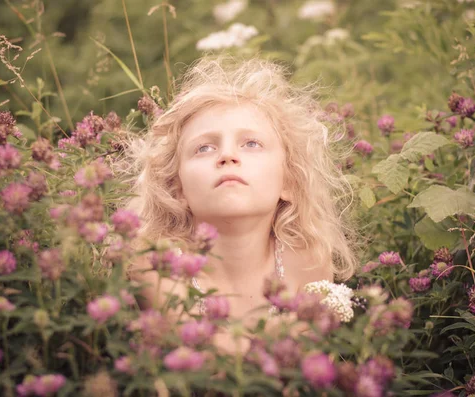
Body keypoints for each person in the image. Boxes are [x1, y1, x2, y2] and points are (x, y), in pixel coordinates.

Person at [124, 55, 359, 349]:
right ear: (177, 188)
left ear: (288, 181)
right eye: (204, 148)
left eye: (251, 143)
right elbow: (214, 365)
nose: (227, 155)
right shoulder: (155, 264)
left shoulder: (308, 259)